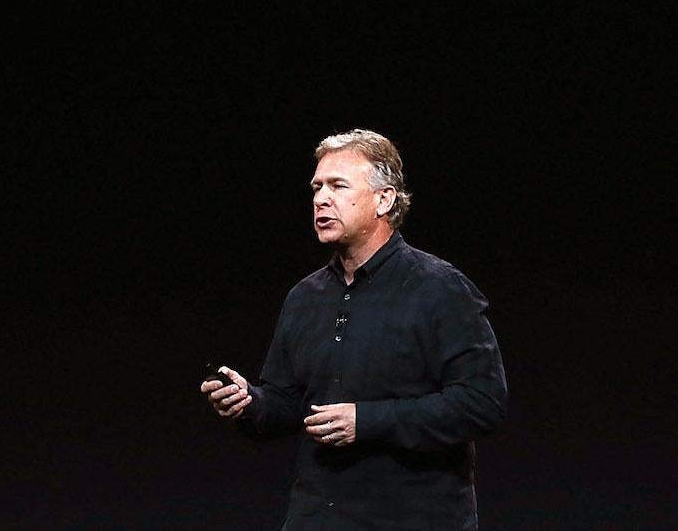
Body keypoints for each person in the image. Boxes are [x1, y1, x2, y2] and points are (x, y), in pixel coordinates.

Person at [202, 128, 507, 529]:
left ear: (384, 199)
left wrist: (367, 422)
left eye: (338, 185)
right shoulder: (304, 297)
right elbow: (289, 403)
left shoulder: (440, 289)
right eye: (316, 187)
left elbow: (482, 403)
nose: (320, 199)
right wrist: (250, 403)